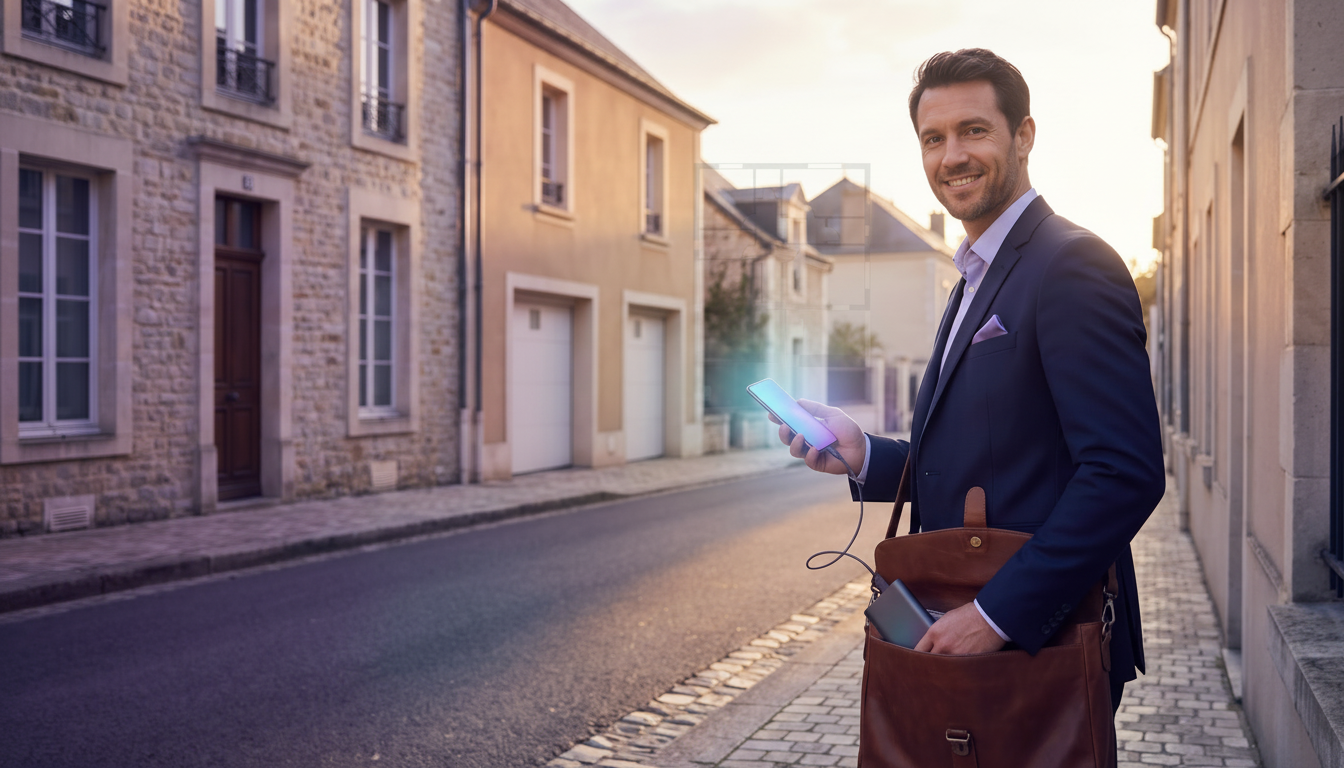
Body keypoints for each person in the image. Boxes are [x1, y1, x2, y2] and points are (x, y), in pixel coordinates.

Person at [776, 48, 1166, 712]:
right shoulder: (975, 278)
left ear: (1024, 136)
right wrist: (864, 454)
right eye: (934, 138)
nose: (951, 155)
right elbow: (992, 451)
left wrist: (998, 616)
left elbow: (1124, 471)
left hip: (1041, 649)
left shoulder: (1072, 264)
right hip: (963, 633)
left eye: (973, 131)